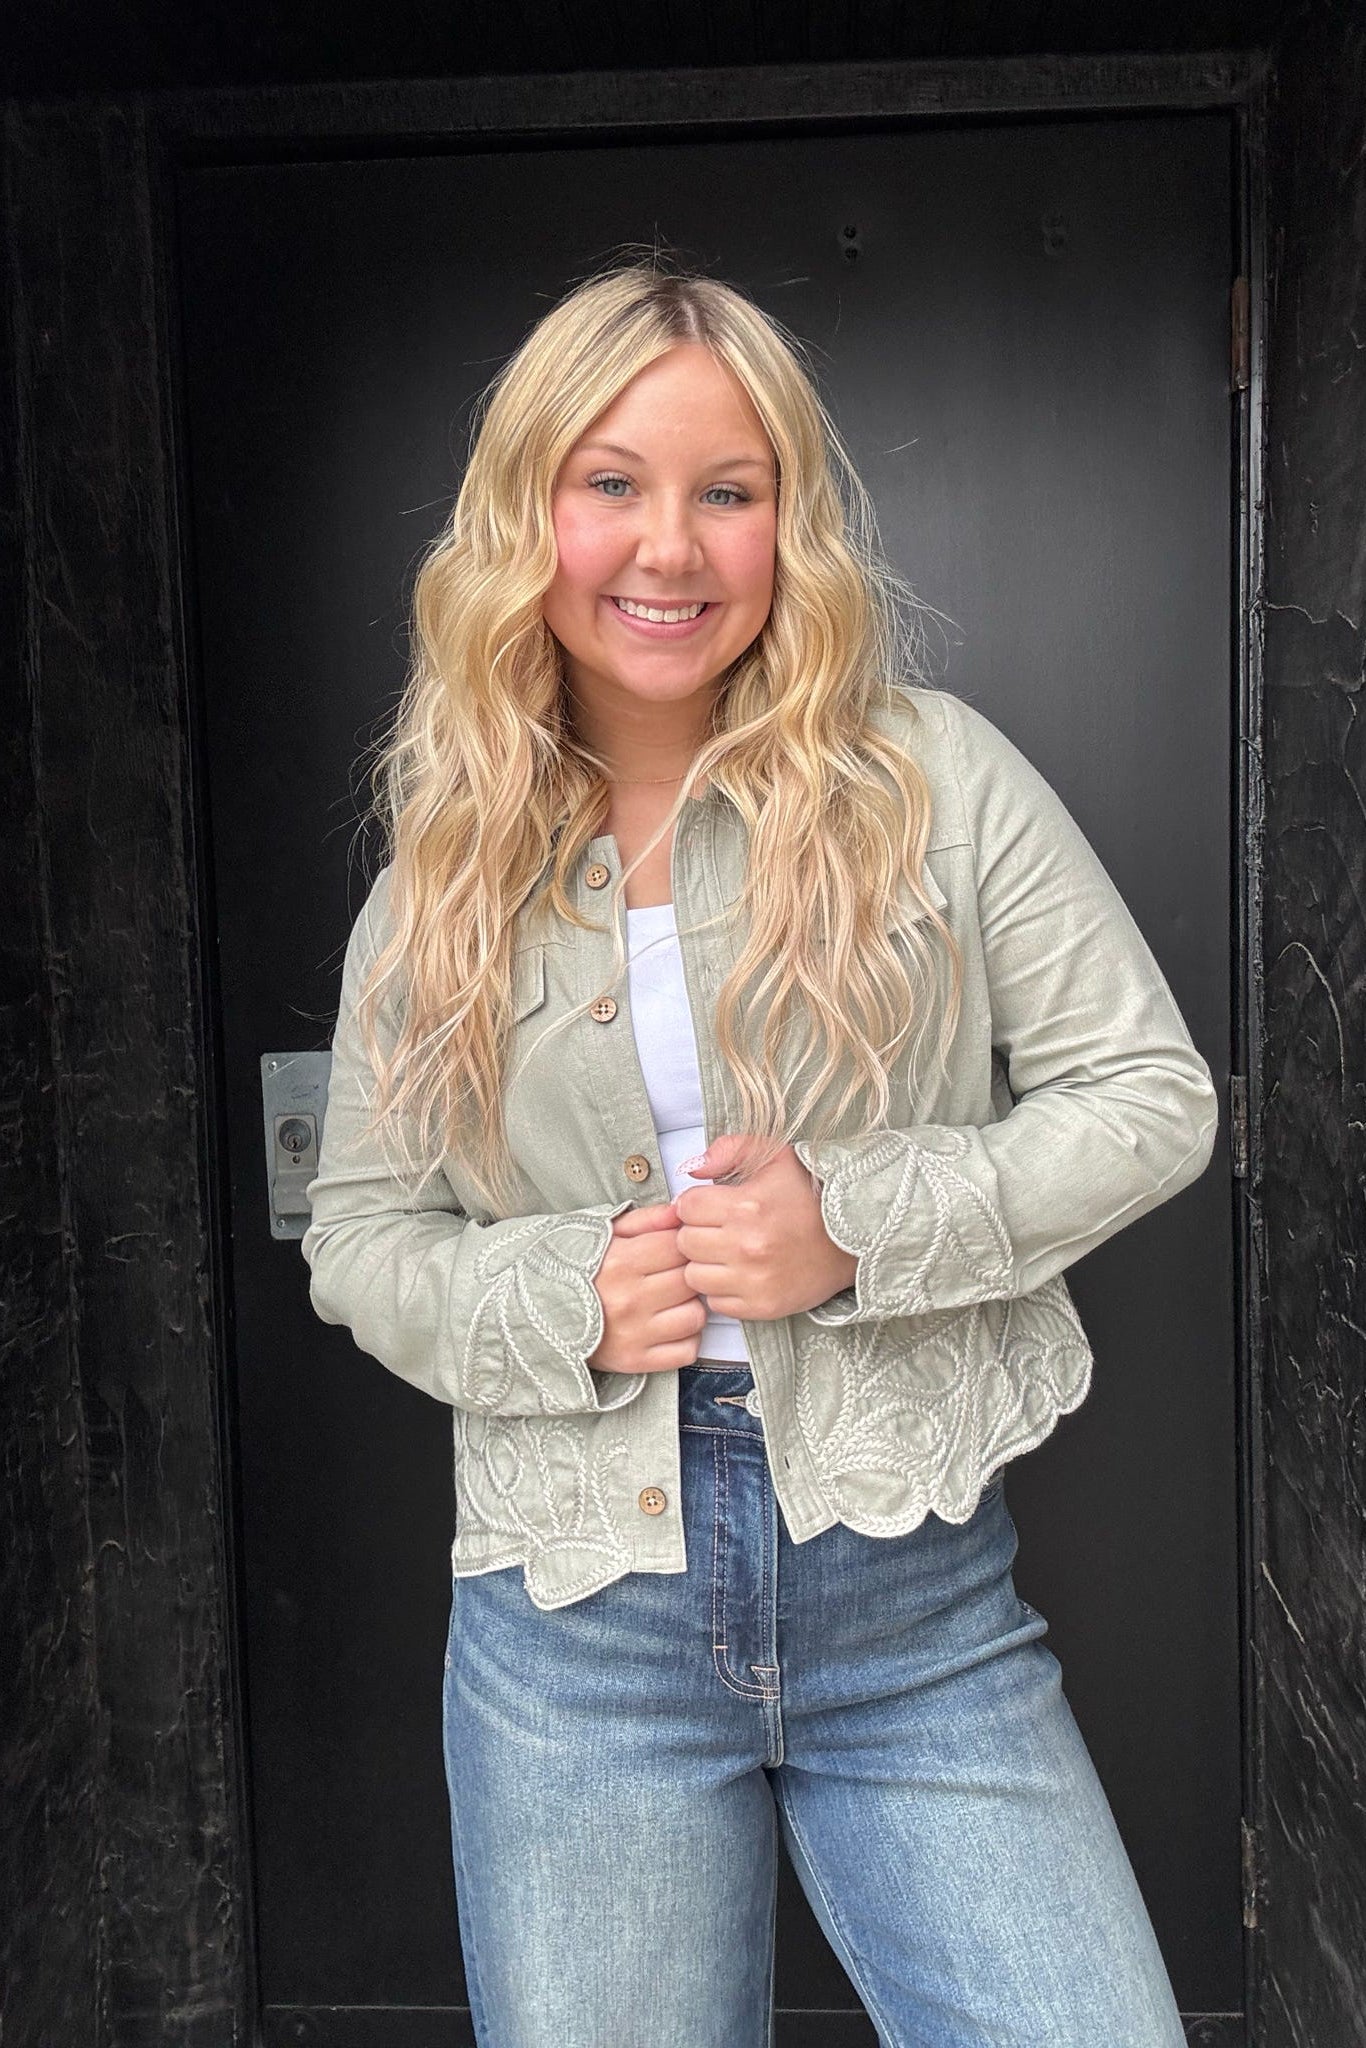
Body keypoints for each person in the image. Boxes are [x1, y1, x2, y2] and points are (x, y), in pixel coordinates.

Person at [301, 256, 1219, 2048]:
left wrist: (856, 1229)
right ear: (526, 519)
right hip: (575, 1628)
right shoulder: (440, 879)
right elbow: (360, 1235)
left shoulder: (935, 782)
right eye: (611, 485)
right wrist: (558, 1289)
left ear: (785, 525)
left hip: (916, 1605)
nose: (670, 548)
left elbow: (1148, 1096)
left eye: (727, 492)